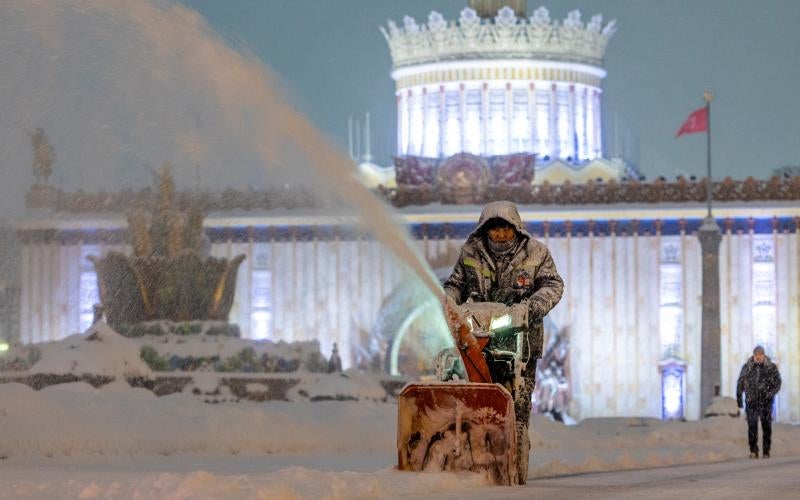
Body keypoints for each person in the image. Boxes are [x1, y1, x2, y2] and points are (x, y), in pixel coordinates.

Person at [444, 201, 564, 484]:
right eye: (494, 229)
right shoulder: (470, 252)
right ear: (484, 230)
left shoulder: (536, 254)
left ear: (516, 229)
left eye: (505, 229)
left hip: (520, 335)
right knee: (466, 382)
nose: (499, 235)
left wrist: (530, 307)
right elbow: (455, 284)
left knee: (518, 399)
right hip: (478, 334)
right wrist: (449, 301)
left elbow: (553, 285)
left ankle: (516, 445)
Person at [736, 345, 782, 459]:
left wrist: (770, 393)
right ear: (754, 355)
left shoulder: (771, 368)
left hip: (766, 402)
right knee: (752, 427)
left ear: (763, 355)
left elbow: (777, 382)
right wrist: (739, 400)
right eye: (756, 355)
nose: (758, 357)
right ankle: (753, 450)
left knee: (766, 427)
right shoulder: (747, 367)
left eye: (760, 355)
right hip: (751, 402)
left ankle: (766, 451)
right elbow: (740, 383)